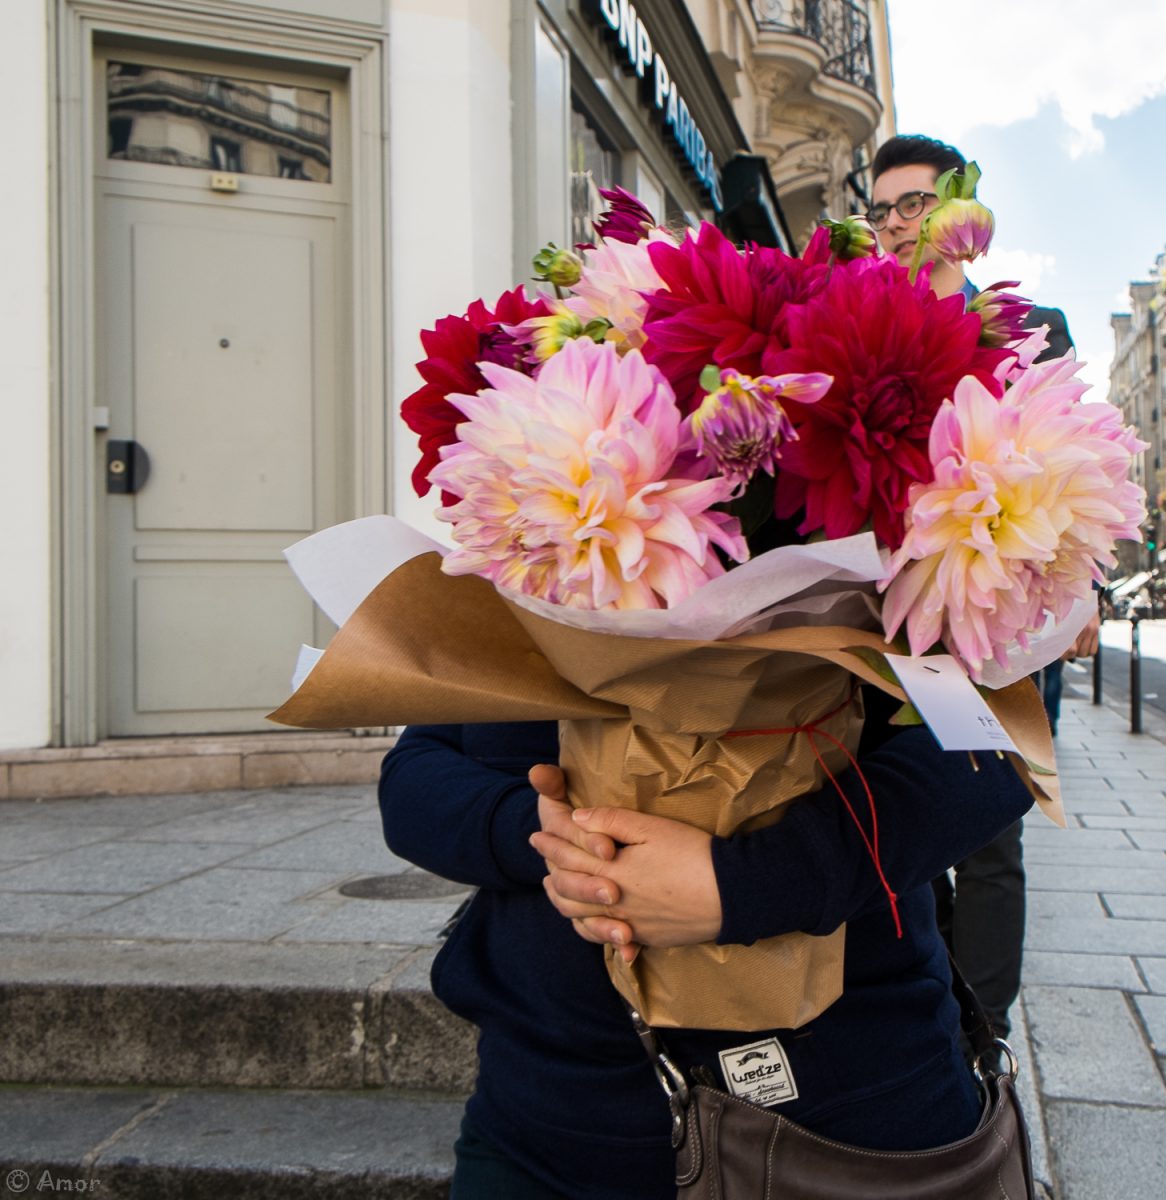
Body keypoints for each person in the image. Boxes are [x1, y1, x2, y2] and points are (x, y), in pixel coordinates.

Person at [380, 684, 1036, 1197]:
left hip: (850, 1127)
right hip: (542, 1118)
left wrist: (751, 882)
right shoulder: (513, 550)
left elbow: (994, 739)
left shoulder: (899, 532)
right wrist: (549, 838)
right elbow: (416, 771)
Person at [869, 133, 1095, 1040]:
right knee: (909, 824)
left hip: (1007, 620)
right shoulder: (866, 323)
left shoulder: (1032, 324)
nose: (892, 226)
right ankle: (926, 1007)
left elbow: (1078, 466)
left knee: (993, 836)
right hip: (907, 623)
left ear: (962, 211)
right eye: (880, 208)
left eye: (914, 204)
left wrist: (1083, 599)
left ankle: (982, 1032)